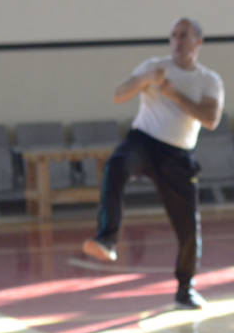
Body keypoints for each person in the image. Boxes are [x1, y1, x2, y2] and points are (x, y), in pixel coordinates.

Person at [81, 17, 224, 309]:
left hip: (179, 154)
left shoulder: (209, 79)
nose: (177, 41)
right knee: (116, 165)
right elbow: (119, 94)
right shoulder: (154, 67)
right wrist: (145, 80)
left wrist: (175, 95)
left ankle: (185, 288)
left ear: (198, 42)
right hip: (143, 141)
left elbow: (211, 119)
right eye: (173, 35)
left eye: (183, 36)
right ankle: (107, 238)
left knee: (188, 225)